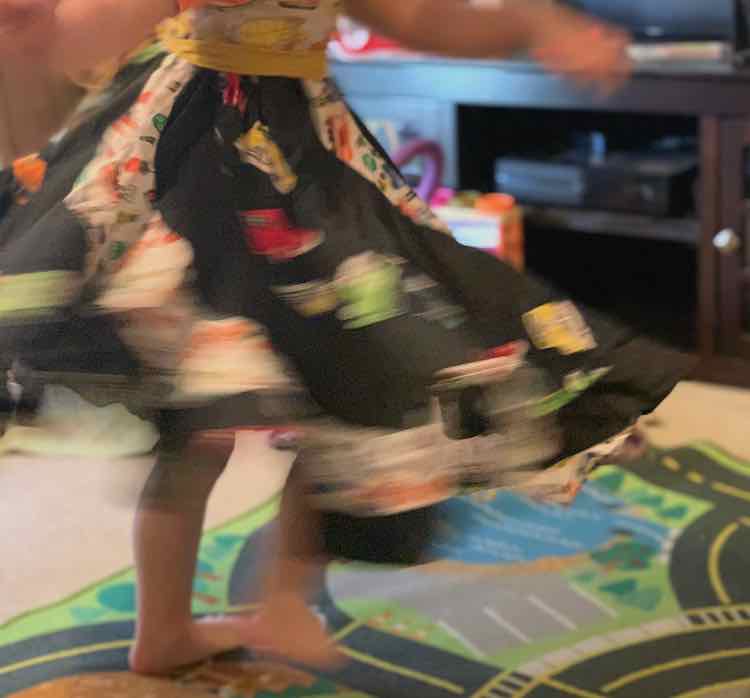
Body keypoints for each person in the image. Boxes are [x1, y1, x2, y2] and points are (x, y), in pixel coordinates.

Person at [0, 0, 693, 676]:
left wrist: (536, 22)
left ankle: (276, 599)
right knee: (198, 418)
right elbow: (112, 18)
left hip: (307, 167)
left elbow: (425, 18)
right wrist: (50, 26)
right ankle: (167, 630)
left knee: (363, 371)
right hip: (194, 161)